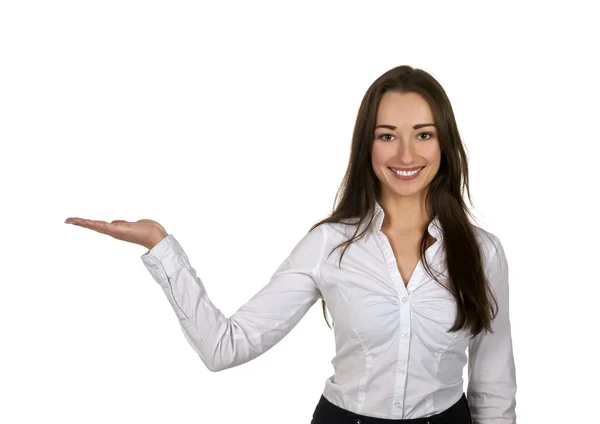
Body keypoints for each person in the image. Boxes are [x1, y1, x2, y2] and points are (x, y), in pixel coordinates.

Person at [64, 65, 517, 423]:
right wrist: (160, 245)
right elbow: (225, 347)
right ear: (368, 146)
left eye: (423, 134)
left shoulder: (483, 252)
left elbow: (492, 386)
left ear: (444, 143)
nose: (405, 154)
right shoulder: (328, 245)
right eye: (386, 136)